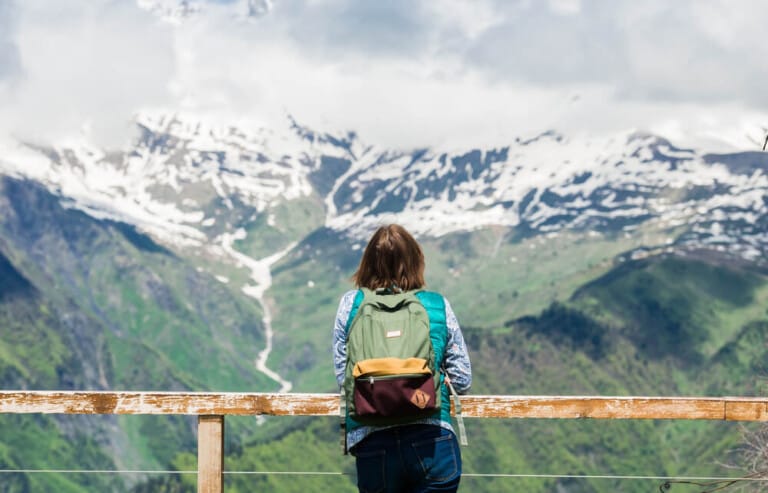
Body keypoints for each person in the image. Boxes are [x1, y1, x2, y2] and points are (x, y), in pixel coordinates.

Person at [333, 224, 472, 493]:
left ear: (367, 264)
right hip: (433, 439)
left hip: (372, 441)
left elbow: (344, 376)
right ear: (415, 261)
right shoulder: (436, 304)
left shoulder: (351, 305)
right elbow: (463, 379)